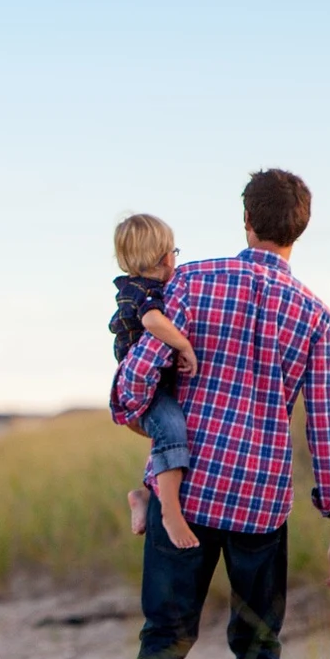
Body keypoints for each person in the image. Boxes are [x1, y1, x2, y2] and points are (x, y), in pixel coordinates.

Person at [110, 168, 330, 659]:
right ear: (299, 230)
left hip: (187, 490)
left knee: (164, 636)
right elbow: (329, 422)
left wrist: (138, 412)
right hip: (260, 501)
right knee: (257, 644)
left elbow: (135, 380)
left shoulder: (192, 281)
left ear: (246, 221)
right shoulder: (315, 315)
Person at [109, 214, 201, 550]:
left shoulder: (139, 287)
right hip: (144, 389)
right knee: (172, 429)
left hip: (154, 385)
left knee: (169, 435)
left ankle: (145, 495)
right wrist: (183, 344)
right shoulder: (143, 292)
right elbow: (152, 322)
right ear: (165, 257)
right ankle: (170, 513)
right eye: (174, 252)